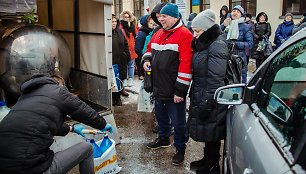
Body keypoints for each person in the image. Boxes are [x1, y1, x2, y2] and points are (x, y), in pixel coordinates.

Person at [0, 74, 113, 174]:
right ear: (59, 84)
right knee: (87, 148)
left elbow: (41, 124)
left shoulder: (24, 97)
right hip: (28, 168)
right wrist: (102, 124)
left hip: (4, 165)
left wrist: (71, 128)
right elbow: (82, 110)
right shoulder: (58, 91)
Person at [143, 3, 193, 166]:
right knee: (161, 116)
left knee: (178, 122)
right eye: (159, 16)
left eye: (163, 16)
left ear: (174, 17)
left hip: (173, 89)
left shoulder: (185, 34)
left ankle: (180, 148)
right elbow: (149, 49)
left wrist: (180, 91)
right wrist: (146, 60)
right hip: (158, 85)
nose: (160, 19)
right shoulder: (158, 32)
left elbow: (186, 65)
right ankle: (164, 138)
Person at [188, 9, 229, 174]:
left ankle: (213, 165)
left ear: (207, 29)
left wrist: (206, 102)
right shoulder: (206, 43)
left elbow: (215, 80)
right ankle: (207, 160)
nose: (194, 35)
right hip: (203, 93)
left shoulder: (217, 45)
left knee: (213, 132)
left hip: (212, 97)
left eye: (197, 31)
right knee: (208, 130)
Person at [221, 5, 253, 83]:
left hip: (239, 57)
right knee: (228, 79)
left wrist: (236, 44)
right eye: (234, 11)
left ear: (241, 15)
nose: (235, 13)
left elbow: (250, 44)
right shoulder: (228, 25)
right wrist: (222, 26)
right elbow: (219, 36)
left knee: (240, 79)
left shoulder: (246, 27)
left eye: (238, 12)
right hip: (227, 56)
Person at [112, 14, 131, 104]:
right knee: (114, 80)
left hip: (121, 59)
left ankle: (120, 92)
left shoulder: (119, 31)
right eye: (112, 21)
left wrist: (126, 54)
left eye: (115, 21)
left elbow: (125, 43)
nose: (114, 23)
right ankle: (116, 98)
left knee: (121, 77)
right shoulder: (107, 33)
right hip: (113, 61)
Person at [120, 11, 138, 87]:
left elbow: (136, 36)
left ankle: (131, 78)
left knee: (131, 65)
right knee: (124, 65)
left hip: (132, 48)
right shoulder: (120, 26)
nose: (126, 18)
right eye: (125, 17)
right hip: (124, 49)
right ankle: (124, 79)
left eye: (128, 17)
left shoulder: (133, 27)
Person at [135, 14, 154, 80]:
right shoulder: (142, 34)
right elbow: (137, 49)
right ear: (146, 24)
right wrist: (144, 55)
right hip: (142, 58)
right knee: (147, 76)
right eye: (150, 23)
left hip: (147, 57)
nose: (152, 25)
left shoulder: (150, 32)